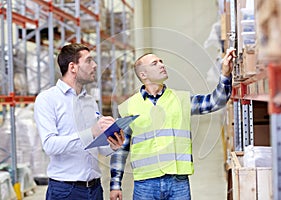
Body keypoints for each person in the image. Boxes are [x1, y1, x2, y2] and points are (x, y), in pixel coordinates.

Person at [109, 49, 236, 200]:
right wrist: (115, 184)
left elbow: (215, 102)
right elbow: (120, 148)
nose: (161, 65)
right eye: (154, 63)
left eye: (161, 61)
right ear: (143, 75)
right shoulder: (129, 107)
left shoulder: (181, 99)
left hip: (178, 182)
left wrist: (225, 75)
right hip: (145, 183)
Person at [34, 43, 125, 200]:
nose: (95, 65)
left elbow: (97, 147)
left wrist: (112, 145)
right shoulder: (47, 99)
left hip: (95, 189)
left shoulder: (89, 101)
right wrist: (92, 132)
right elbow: (49, 145)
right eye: (89, 61)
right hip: (66, 191)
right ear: (73, 67)